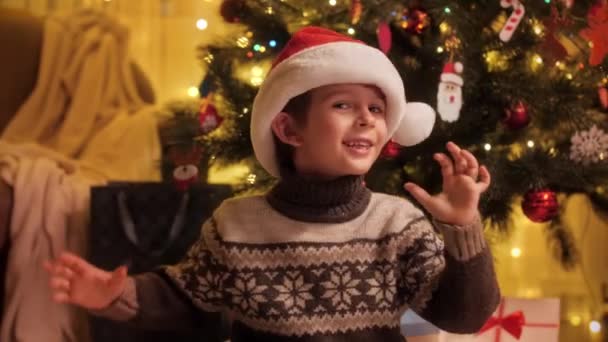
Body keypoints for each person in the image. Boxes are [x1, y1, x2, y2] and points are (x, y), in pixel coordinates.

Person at [44, 26, 500, 341]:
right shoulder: (237, 224)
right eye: (343, 105)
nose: (367, 118)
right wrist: (114, 295)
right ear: (288, 129)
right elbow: (183, 296)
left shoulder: (397, 222)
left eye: (377, 109)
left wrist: (463, 226)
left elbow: (464, 316)